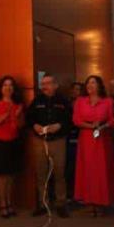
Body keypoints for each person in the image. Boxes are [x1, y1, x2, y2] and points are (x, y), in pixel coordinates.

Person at [26, 73, 72, 218]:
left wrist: (59, 125)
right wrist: (35, 125)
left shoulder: (63, 101)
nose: (45, 86)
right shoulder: (36, 101)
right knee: (41, 173)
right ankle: (43, 204)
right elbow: (29, 118)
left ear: (55, 85)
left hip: (58, 141)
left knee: (59, 173)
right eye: (43, 84)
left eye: (48, 83)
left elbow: (70, 120)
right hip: (40, 141)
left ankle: (61, 203)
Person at [73, 75, 114, 216]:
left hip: (102, 139)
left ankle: (102, 202)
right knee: (87, 170)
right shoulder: (80, 101)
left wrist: (102, 126)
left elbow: (112, 120)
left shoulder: (108, 102)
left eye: (93, 82)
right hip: (86, 138)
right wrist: (90, 126)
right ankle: (89, 202)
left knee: (102, 170)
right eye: (88, 83)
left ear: (99, 85)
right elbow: (76, 119)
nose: (90, 85)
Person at [0, 75, 25, 218]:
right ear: (0, 88)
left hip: (13, 141)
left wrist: (18, 115)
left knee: (11, 175)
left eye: (10, 85)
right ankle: (3, 204)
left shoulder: (18, 104)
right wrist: (8, 114)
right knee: (2, 176)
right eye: (5, 85)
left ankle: (9, 203)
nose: (8, 88)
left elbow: (20, 125)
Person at [65, 81, 83, 199]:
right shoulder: (67, 104)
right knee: (69, 168)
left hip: (82, 137)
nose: (75, 91)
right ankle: (70, 194)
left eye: (78, 89)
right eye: (73, 89)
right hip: (68, 138)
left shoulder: (85, 104)